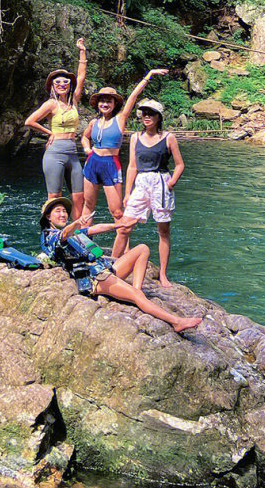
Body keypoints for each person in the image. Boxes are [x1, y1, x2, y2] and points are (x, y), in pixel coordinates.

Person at [37, 197, 201, 333]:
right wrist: (76, 223)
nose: (63, 214)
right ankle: (176, 322)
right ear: (48, 217)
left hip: (104, 269)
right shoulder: (50, 237)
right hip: (94, 279)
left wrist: (120, 225)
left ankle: (136, 292)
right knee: (137, 297)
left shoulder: (73, 233)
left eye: (64, 211)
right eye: (58, 211)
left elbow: (95, 229)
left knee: (142, 249)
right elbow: (64, 234)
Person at [81, 67, 167, 222]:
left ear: (114, 104)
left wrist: (148, 75)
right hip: (92, 162)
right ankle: (83, 238)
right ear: (97, 104)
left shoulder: (120, 119)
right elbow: (84, 137)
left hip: (110, 164)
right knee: (88, 204)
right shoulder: (94, 122)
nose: (105, 104)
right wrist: (87, 148)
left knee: (117, 211)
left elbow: (133, 97)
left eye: (109, 101)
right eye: (102, 101)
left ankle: (123, 246)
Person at [116, 99, 185, 280]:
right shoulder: (135, 137)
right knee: (124, 226)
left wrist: (171, 183)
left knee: (163, 230)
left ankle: (162, 274)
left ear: (158, 116)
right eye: (144, 113)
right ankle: (112, 264)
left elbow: (179, 165)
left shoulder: (168, 137)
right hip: (141, 182)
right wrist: (127, 192)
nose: (146, 117)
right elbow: (132, 166)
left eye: (151, 113)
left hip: (161, 181)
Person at [24, 38, 88, 217]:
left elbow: (81, 76)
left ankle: (76, 233)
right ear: (53, 86)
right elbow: (30, 121)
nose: (62, 85)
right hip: (55, 152)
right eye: (58, 82)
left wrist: (82, 51)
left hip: (72, 153)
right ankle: (51, 230)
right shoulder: (51, 104)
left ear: (69, 86)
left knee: (79, 196)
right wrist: (49, 132)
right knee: (54, 197)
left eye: (65, 82)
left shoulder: (74, 101)